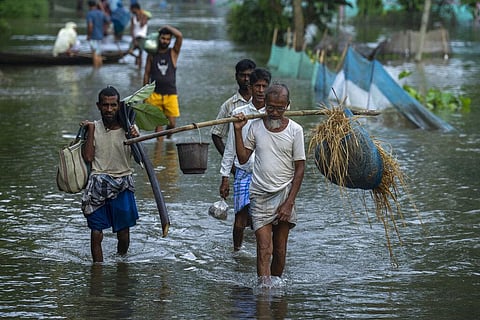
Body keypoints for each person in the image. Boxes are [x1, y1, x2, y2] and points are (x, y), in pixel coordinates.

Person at [233, 83, 305, 285]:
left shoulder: (295, 130)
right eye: (270, 107)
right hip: (259, 196)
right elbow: (243, 158)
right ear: (264, 104)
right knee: (264, 249)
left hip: (285, 195)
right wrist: (238, 130)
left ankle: (276, 287)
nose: (274, 112)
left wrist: (289, 202)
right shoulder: (255, 127)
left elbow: (300, 168)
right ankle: (264, 293)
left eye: (279, 108)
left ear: (287, 106)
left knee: (280, 250)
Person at [81, 86, 140, 263]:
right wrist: (90, 129)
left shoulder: (129, 129)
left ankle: (121, 263)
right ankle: (97, 271)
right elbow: (88, 157)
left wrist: (134, 137)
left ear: (118, 106)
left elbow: (139, 159)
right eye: (105, 105)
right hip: (97, 185)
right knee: (96, 233)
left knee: (123, 235)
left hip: (122, 184)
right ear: (98, 106)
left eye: (113, 105)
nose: (109, 109)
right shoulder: (93, 127)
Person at [219, 68, 271, 252]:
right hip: (244, 170)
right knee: (240, 217)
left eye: (265, 86)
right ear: (251, 86)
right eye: (257, 85)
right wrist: (225, 176)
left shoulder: (273, 113)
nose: (261, 90)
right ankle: (237, 251)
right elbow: (231, 147)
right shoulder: (240, 113)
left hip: (266, 173)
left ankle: (263, 250)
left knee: (265, 217)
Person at [143, 25, 183, 138]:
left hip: (170, 94)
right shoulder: (152, 54)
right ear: (158, 38)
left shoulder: (173, 53)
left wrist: (166, 27)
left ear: (170, 40)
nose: (165, 41)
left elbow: (179, 36)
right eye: (163, 38)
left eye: (167, 39)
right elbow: (146, 74)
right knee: (158, 127)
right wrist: (145, 94)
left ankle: (168, 141)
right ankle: (159, 152)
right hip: (154, 94)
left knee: (172, 124)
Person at [211, 59, 256, 156]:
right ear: (236, 77)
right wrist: (230, 164)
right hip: (238, 161)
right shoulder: (229, 105)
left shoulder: (264, 102)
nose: (246, 79)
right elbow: (216, 134)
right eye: (242, 75)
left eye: (249, 76)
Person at [86, 0, 111, 68]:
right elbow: (108, 21)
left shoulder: (90, 14)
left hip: (93, 36)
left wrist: (89, 35)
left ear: (89, 6)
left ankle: (95, 70)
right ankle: (99, 70)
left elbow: (90, 26)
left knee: (94, 54)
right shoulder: (101, 13)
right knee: (98, 54)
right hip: (100, 36)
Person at [126, 3, 151, 68]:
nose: (131, 11)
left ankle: (139, 72)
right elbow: (131, 30)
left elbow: (142, 24)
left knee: (141, 54)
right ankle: (136, 57)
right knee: (129, 51)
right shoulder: (133, 18)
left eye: (131, 9)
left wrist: (141, 15)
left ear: (135, 9)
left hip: (142, 38)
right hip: (135, 38)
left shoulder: (144, 16)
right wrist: (134, 40)